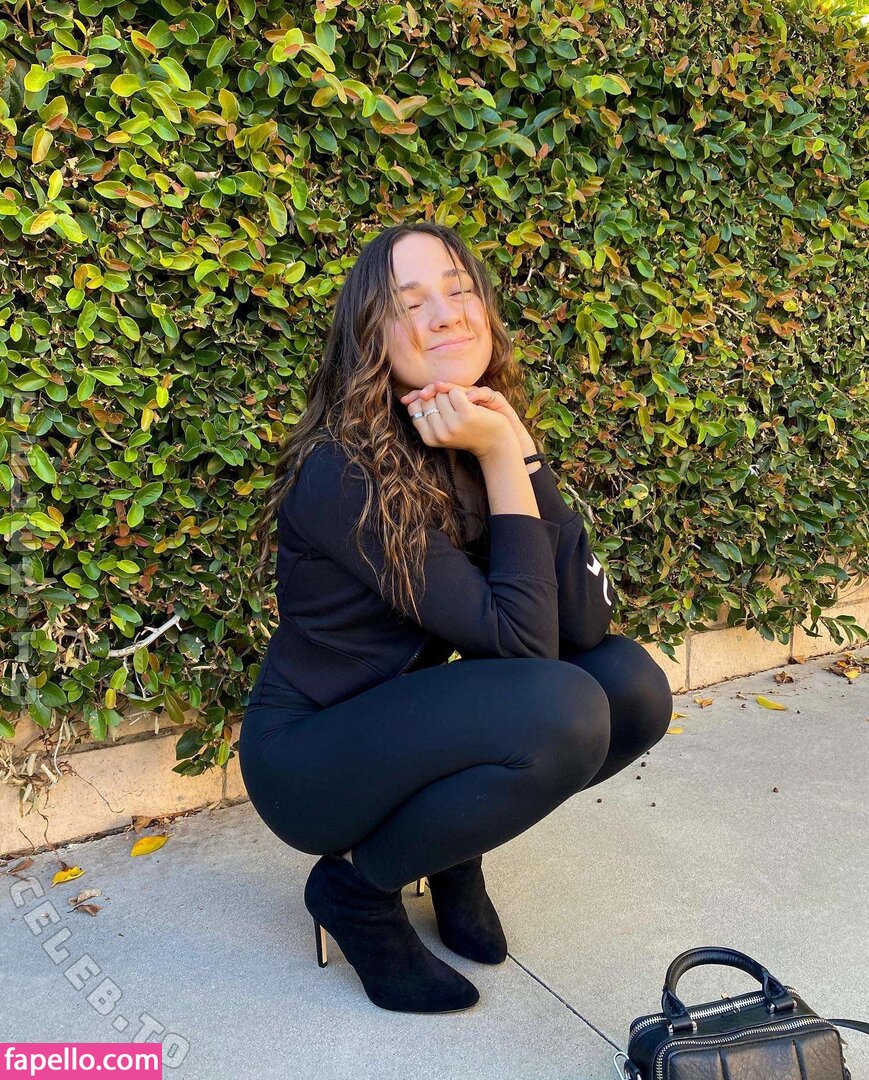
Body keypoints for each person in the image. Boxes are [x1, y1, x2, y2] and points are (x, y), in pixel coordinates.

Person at [240, 222, 673, 1015]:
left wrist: (519, 450)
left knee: (630, 687)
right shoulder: (343, 470)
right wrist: (503, 455)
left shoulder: (465, 433)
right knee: (562, 707)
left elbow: (584, 625)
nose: (445, 314)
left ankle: (449, 847)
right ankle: (356, 891)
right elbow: (525, 649)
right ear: (369, 337)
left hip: (406, 727)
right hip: (309, 760)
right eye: (410, 304)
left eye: (458, 289)